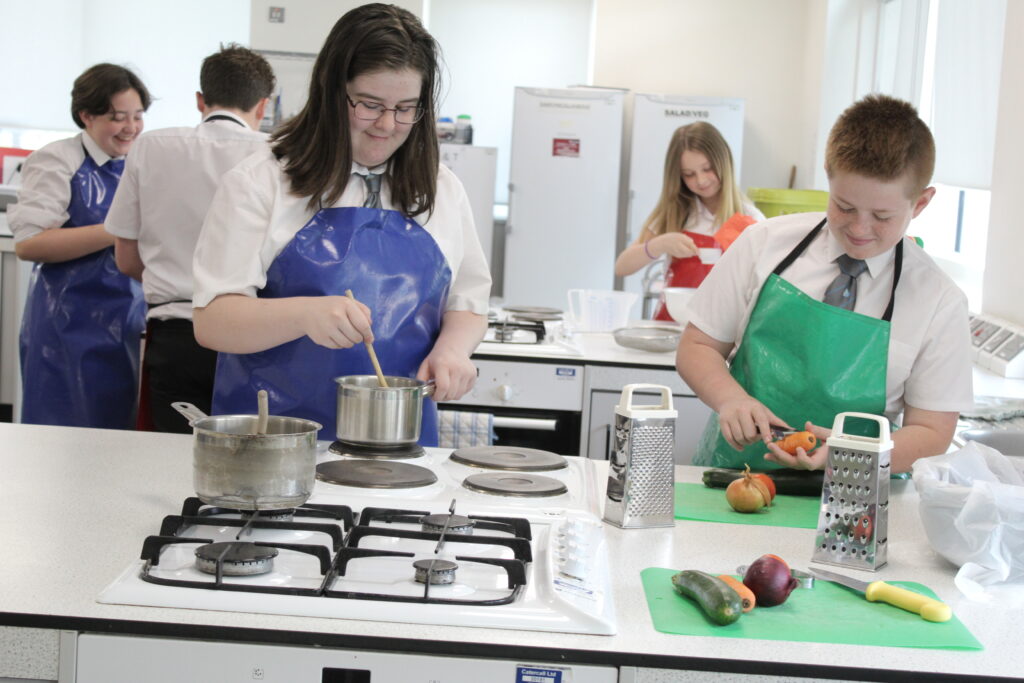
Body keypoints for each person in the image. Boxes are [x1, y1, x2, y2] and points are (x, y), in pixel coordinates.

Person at [191, 3, 491, 443]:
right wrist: (304, 314)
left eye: (406, 108)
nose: (388, 125)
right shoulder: (261, 183)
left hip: (400, 445)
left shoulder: (441, 189)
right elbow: (213, 321)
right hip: (277, 444)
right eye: (370, 105)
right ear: (334, 92)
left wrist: (453, 348)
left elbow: (468, 301)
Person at [676, 94, 972, 474]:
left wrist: (852, 452)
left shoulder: (939, 301)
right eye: (844, 207)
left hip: (857, 496)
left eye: (882, 215)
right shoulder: (763, 244)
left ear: (920, 204)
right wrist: (729, 398)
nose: (859, 229)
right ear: (828, 176)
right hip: (735, 477)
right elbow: (697, 345)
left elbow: (932, 431)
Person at [105, 45, 276, 433]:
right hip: (250, 336)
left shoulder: (150, 147)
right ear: (262, 106)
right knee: (246, 462)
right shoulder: (277, 154)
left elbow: (127, 260)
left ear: (201, 99)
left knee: (167, 459)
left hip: (173, 332)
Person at [10, 64, 151, 428]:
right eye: (118, 117)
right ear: (86, 115)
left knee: (118, 437)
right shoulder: (58, 160)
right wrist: (116, 230)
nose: (131, 128)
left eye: (137, 116)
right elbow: (29, 243)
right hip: (66, 324)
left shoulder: (138, 161)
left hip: (126, 319)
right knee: (63, 439)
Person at [614, 121, 763, 321]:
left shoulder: (750, 219)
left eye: (707, 168)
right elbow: (622, 267)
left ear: (724, 163)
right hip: (672, 326)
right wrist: (660, 244)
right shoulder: (676, 212)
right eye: (689, 174)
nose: (701, 180)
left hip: (722, 332)